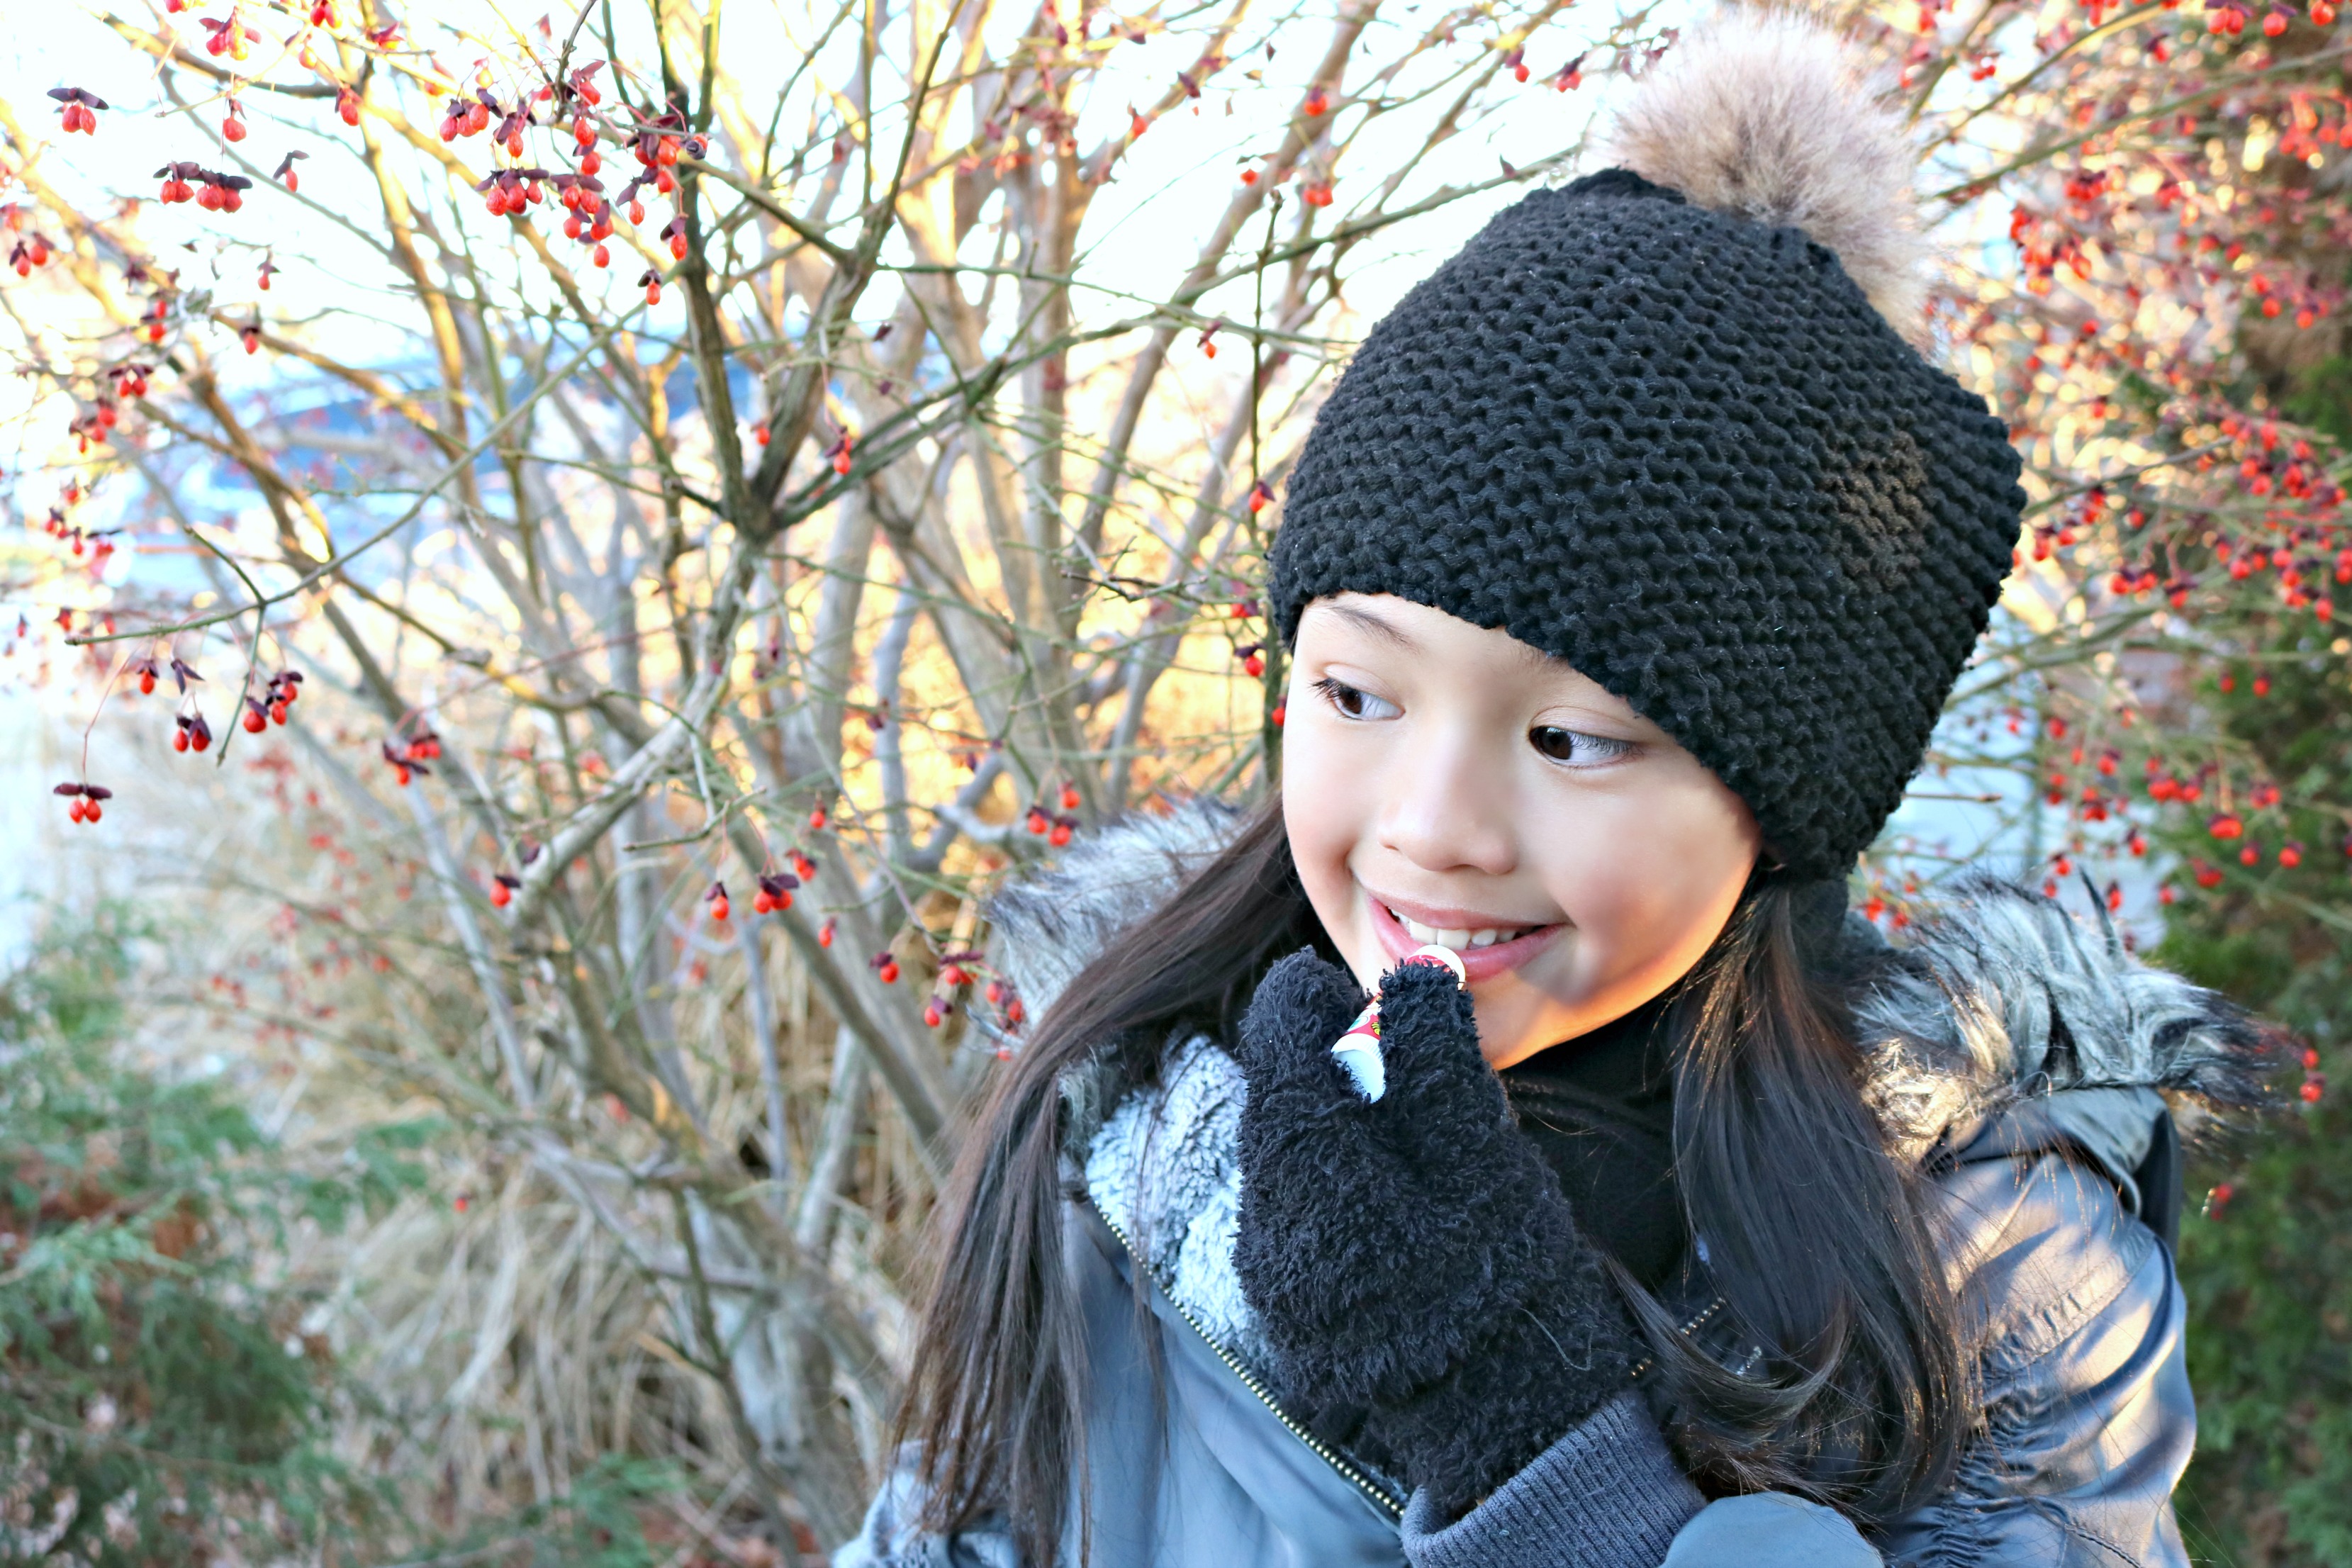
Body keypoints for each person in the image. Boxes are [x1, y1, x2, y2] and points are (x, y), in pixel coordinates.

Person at [836, 15, 2279, 1567]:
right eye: (1355, 693)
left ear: (1780, 802)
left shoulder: (1990, 1268)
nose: (1431, 823)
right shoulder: (1139, 1120)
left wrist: (1541, 1458)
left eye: (1573, 738)